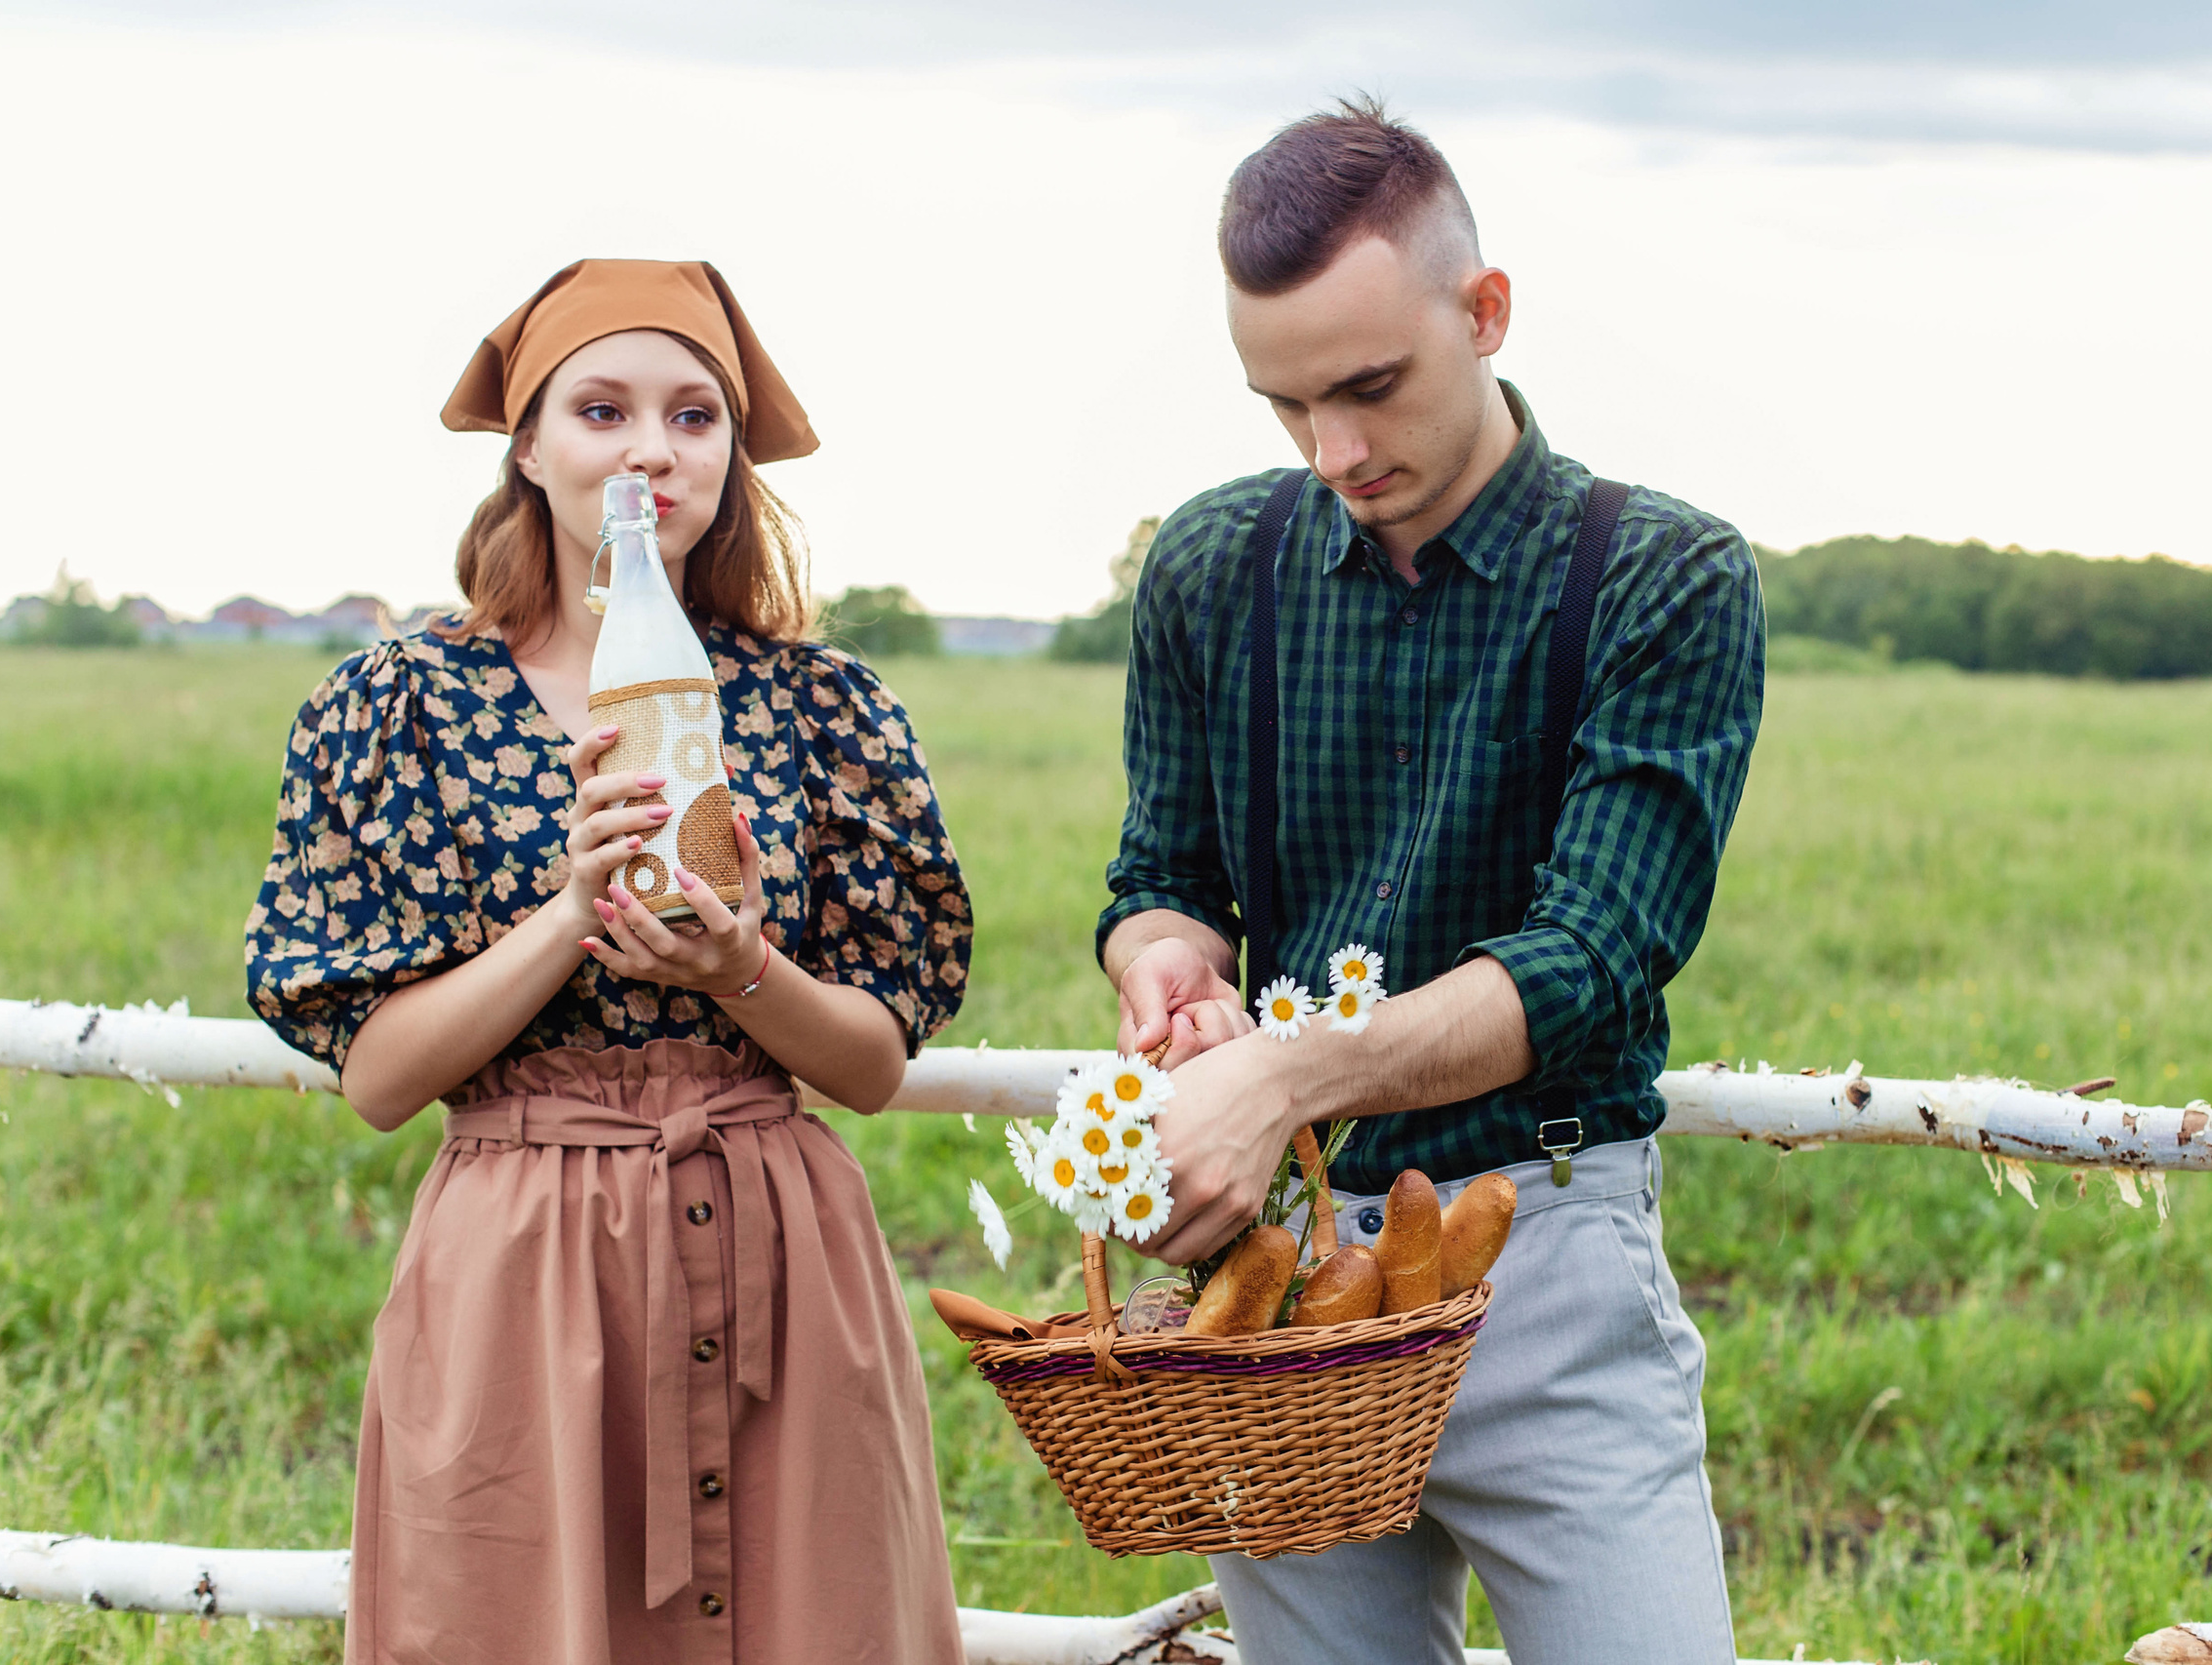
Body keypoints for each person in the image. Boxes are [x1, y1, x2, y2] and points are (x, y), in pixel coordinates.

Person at [1097, 101, 1762, 1662]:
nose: (1334, 453)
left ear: (1487, 312)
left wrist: (1283, 1071)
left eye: (1372, 387)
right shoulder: (1209, 567)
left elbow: (1593, 952)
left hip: (1548, 1250)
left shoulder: (1658, 576)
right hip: (1283, 1266)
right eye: (1287, 406)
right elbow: (1162, 871)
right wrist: (1169, 965)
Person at [246, 258, 970, 1665]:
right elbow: (382, 1082)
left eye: (695, 416)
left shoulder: (824, 708)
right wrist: (567, 910)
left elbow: (874, 1068)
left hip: (778, 1249)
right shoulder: (400, 705)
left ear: (731, 456)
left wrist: (739, 969)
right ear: (528, 445)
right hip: (522, 1274)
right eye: (603, 409)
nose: (652, 448)